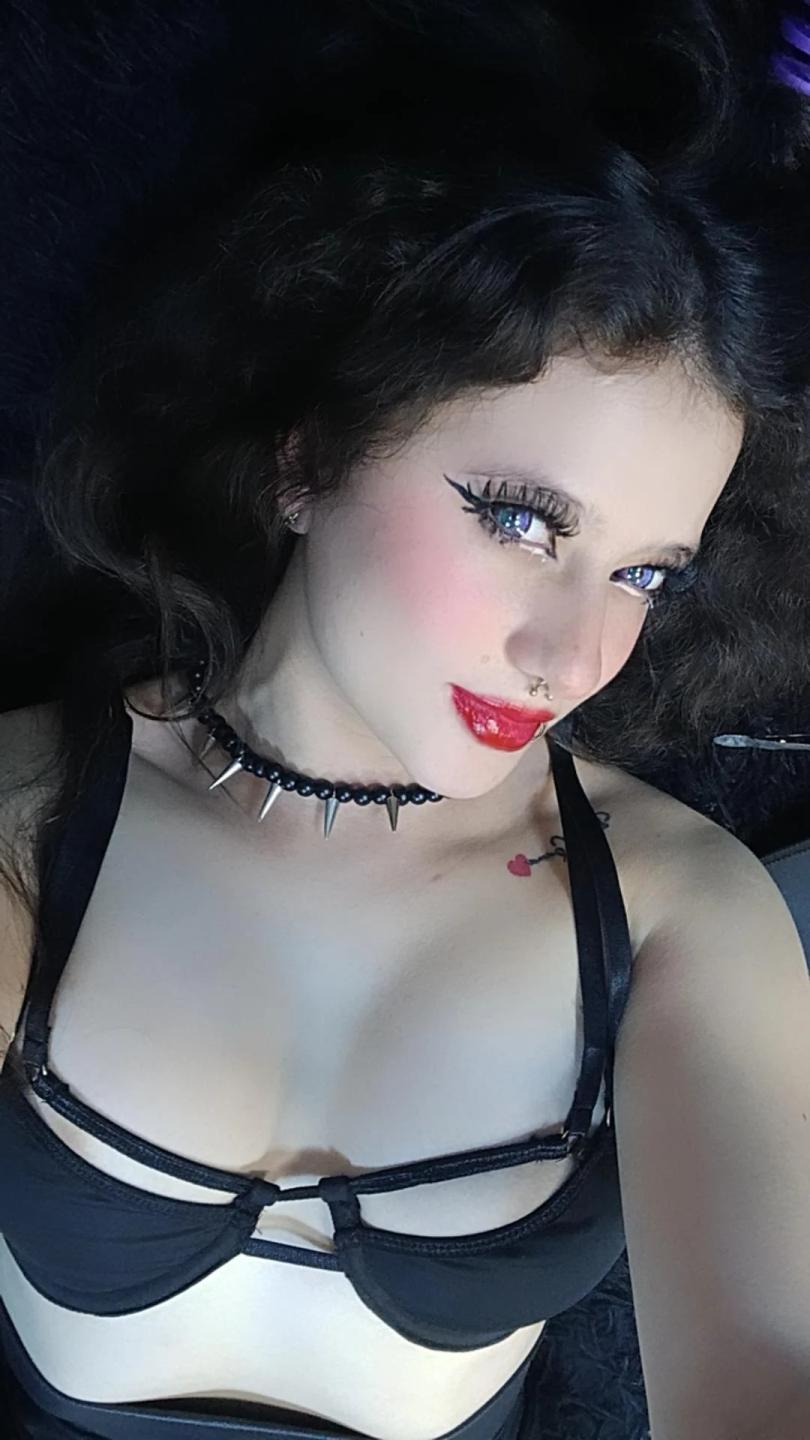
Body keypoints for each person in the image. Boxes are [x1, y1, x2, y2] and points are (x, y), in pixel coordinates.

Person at [0, 4, 809, 1438]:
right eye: (521, 520)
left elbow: (769, 1361)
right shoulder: (29, 810)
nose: (574, 653)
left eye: (644, 576)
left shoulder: (680, 908)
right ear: (307, 456)